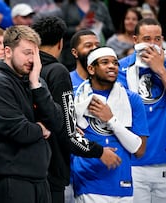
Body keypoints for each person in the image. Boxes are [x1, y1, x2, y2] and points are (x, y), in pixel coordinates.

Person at [31, 16, 122, 203]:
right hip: (51, 167)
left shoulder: (25, 67)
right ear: (61, 42)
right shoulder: (58, 71)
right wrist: (100, 151)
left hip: (26, 165)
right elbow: (68, 131)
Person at [0, 25, 62, 203]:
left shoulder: (34, 80)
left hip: (39, 178)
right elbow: (19, 131)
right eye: (26, 53)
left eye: (35, 54)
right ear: (8, 52)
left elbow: (57, 122)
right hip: (10, 181)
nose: (32, 59)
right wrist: (40, 129)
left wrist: (36, 86)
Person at [118, 17, 166, 203]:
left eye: (157, 39)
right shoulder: (121, 69)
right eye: (146, 39)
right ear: (135, 41)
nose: (152, 45)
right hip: (132, 163)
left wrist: (161, 71)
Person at [72, 46, 148, 202]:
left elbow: (139, 149)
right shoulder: (75, 98)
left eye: (115, 63)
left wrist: (111, 120)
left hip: (123, 183)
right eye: (105, 62)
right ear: (91, 69)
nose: (112, 66)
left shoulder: (132, 99)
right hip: (89, 183)